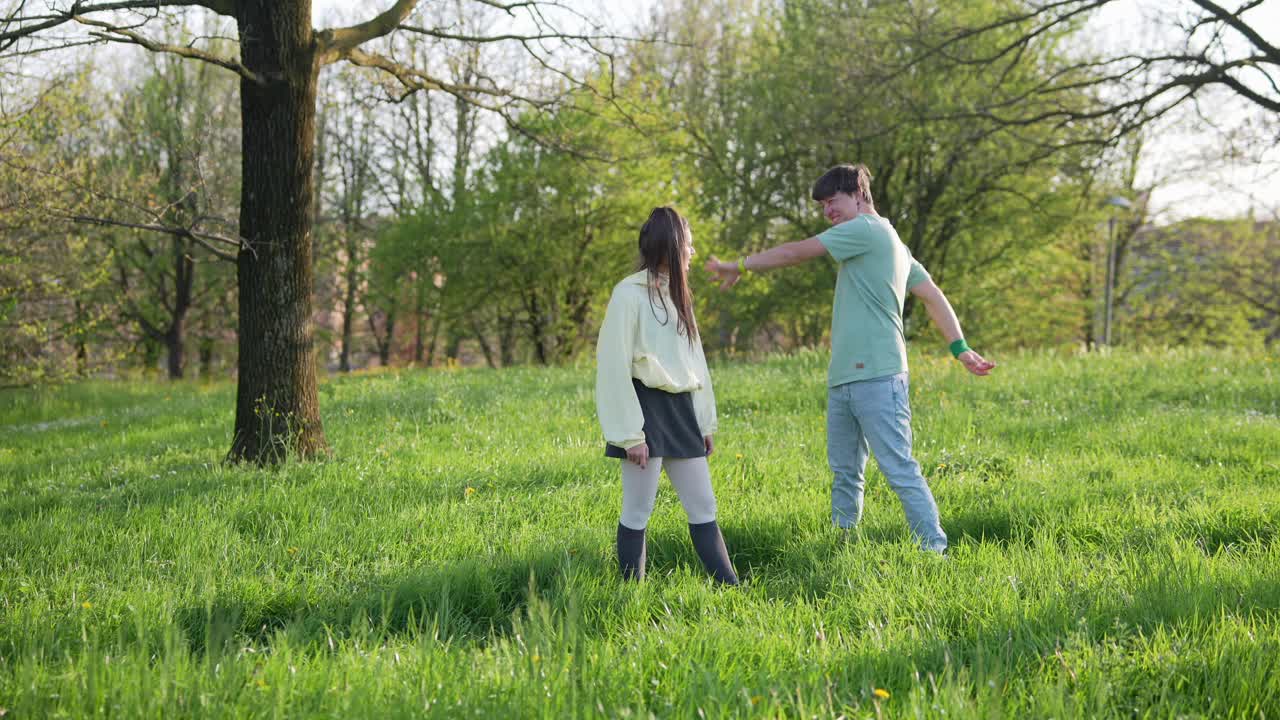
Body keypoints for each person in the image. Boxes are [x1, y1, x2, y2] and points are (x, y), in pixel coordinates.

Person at [705, 164, 995, 554]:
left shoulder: (867, 231)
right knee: (846, 472)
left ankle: (933, 548)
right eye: (823, 205)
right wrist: (959, 348)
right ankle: (843, 544)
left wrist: (737, 265)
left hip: (878, 375)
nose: (828, 211)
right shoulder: (892, 241)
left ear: (859, 194)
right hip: (844, 376)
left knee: (898, 467)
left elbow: (795, 253)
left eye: (833, 201)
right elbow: (932, 294)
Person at [596, 206, 738, 584]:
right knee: (638, 510)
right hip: (645, 412)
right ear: (674, 247)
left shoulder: (679, 296)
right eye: (688, 246)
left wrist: (704, 422)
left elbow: (696, 364)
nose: (692, 254)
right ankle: (630, 596)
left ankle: (731, 590)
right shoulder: (628, 294)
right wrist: (630, 434)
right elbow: (613, 366)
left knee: (703, 505)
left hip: (682, 412)